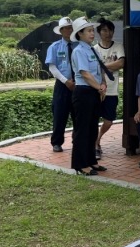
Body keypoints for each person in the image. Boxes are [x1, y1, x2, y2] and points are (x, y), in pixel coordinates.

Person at [69, 17, 107, 175]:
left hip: (94, 91)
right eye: (89, 31)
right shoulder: (79, 51)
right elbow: (85, 74)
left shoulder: (92, 49)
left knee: (92, 129)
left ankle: (91, 160)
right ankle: (80, 164)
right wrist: (99, 87)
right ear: (80, 34)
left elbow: (100, 70)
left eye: (93, 30)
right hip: (84, 92)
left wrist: (103, 84)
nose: (93, 33)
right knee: (82, 130)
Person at [93, 18, 125, 160]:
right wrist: (112, 65)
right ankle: (95, 145)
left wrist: (102, 66)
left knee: (109, 120)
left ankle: (98, 139)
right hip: (96, 89)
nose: (108, 33)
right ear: (99, 32)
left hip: (111, 90)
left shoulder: (118, 46)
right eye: (104, 30)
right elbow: (92, 68)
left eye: (110, 30)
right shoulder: (94, 49)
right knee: (93, 119)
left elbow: (121, 63)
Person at [45, 17, 74, 153]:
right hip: (63, 85)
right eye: (66, 28)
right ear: (61, 31)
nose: (69, 30)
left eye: (71, 28)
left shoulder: (79, 46)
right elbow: (52, 67)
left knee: (78, 115)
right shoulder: (55, 47)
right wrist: (66, 81)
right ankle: (57, 142)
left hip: (78, 85)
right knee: (59, 115)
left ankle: (77, 140)